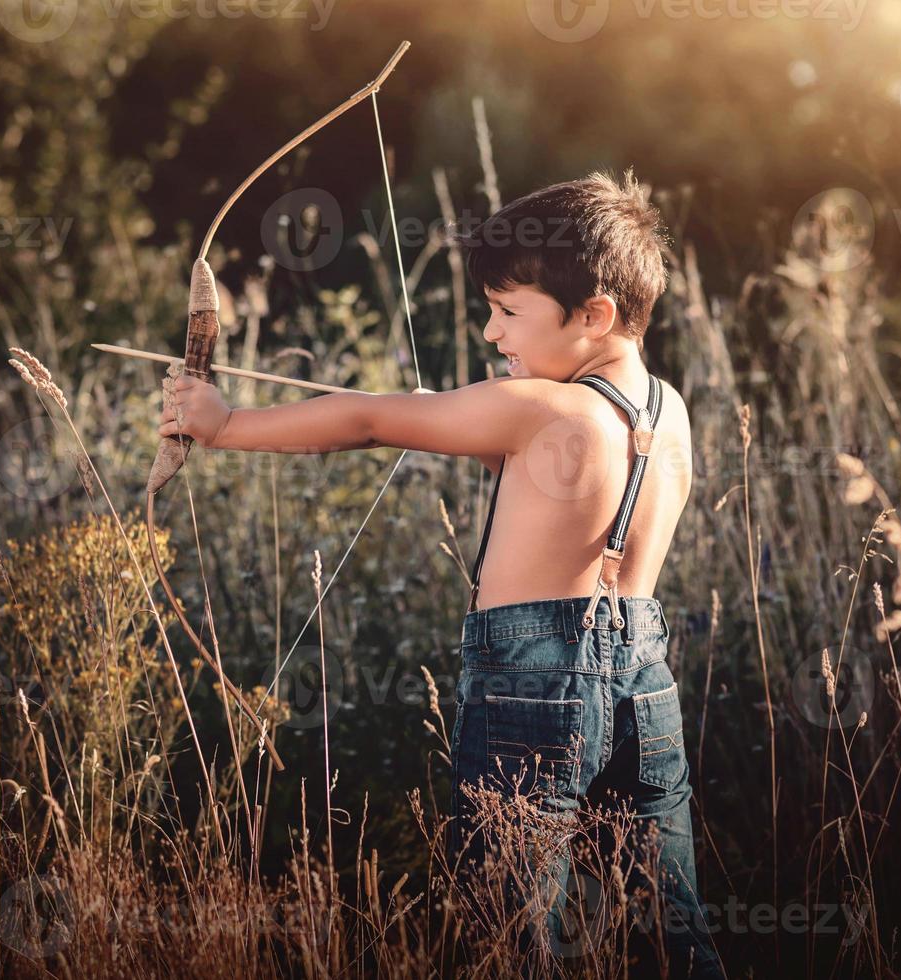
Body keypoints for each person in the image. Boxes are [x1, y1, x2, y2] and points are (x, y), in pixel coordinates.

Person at [157, 169, 723, 978]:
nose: (494, 335)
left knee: (510, 931)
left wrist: (226, 422)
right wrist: (456, 405)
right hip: (646, 684)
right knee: (667, 929)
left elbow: (366, 418)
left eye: (508, 312)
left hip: (532, 694)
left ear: (593, 314)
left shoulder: (539, 407)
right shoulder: (668, 412)